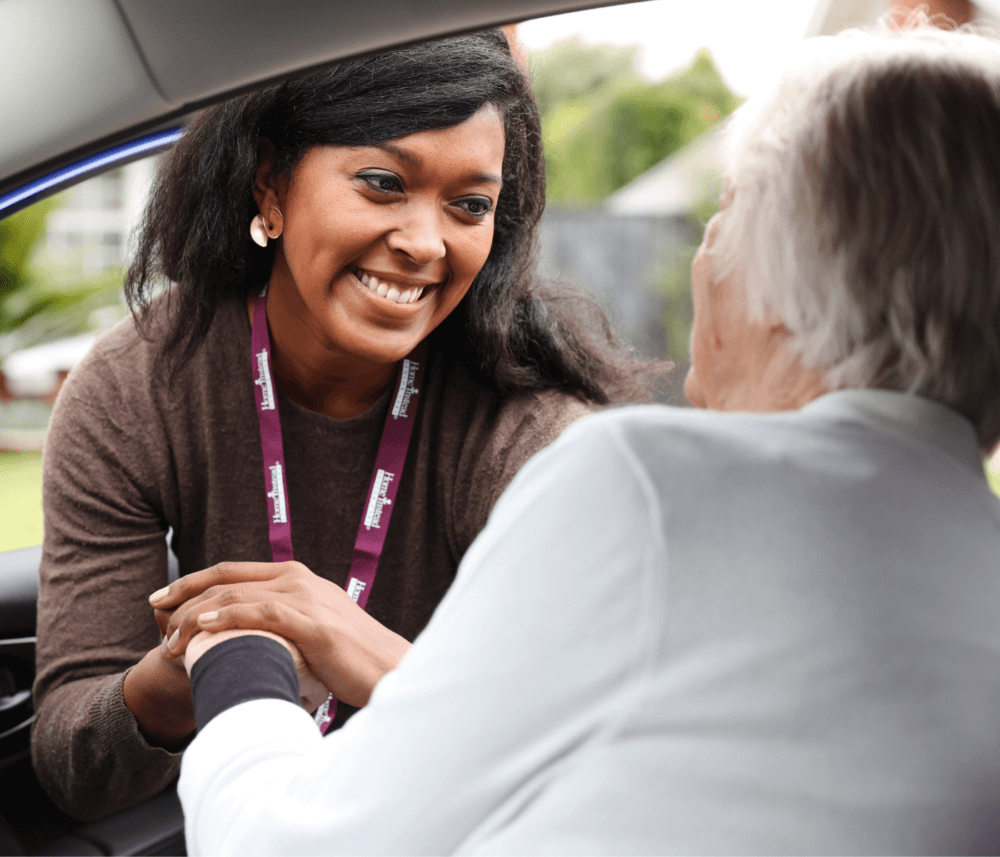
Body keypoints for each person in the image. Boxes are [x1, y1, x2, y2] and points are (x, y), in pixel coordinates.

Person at [169, 21, 1000, 855]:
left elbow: (283, 845)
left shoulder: (651, 492)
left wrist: (239, 662)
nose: (703, 256)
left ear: (794, 271)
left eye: (728, 211)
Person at [31, 30, 655, 821]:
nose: (425, 242)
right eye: (383, 182)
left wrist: (346, 641)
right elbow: (71, 758)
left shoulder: (528, 431)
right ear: (270, 186)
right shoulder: (137, 388)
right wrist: (208, 663)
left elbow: (597, 759)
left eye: (470, 205)